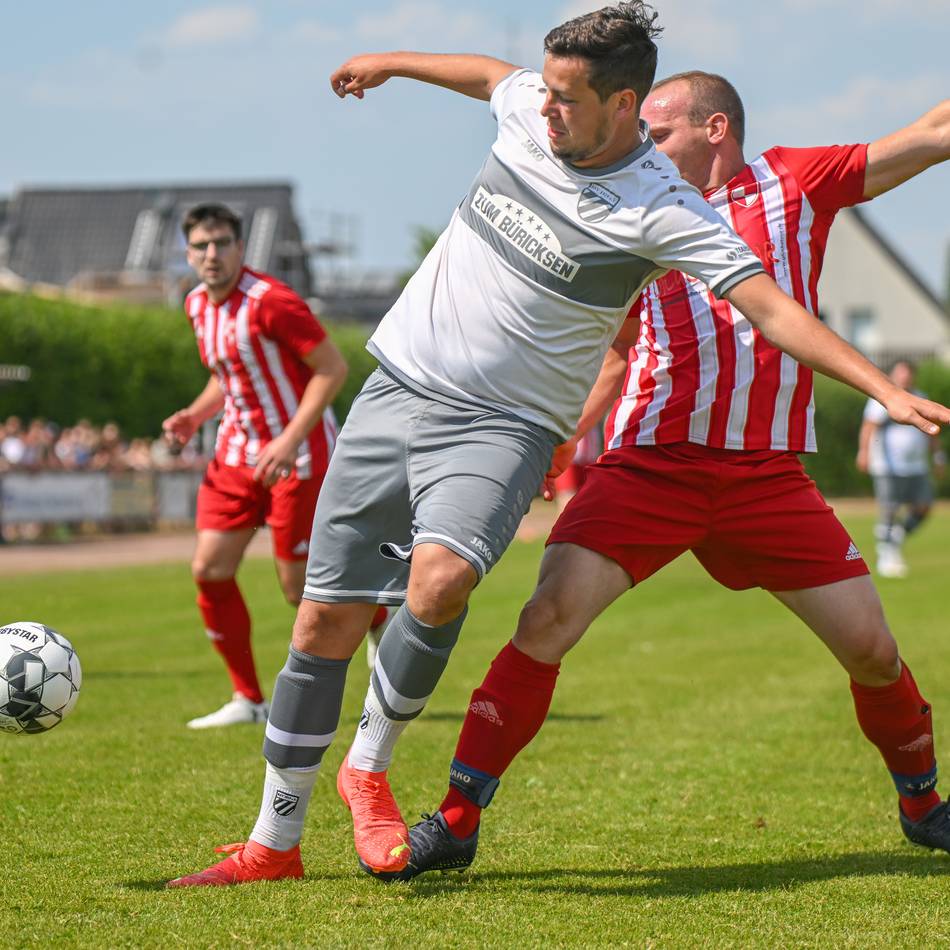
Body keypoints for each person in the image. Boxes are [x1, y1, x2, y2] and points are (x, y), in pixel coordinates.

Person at [167, 5, 949, 888]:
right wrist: (388, 60)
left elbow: (780, 305)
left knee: (868, 650)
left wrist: (884, 386)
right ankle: (348, 834)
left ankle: (922, 802)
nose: (548, 109)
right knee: (429, 620)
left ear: (662, 115)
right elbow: (489, 84)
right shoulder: (542, 113)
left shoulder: (700, 204)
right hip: (576, 442)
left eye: (582, 102)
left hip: (703, 463)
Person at [398, 74, 950, 879]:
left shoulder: (794, 180)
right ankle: (456, 818)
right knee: (547, 618)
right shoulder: (635, 213)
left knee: (872, 650)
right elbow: (618, 354)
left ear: (714, 127)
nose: (639, 146)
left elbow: (932, 135)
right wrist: (563, 436)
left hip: (765, 477)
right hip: (649, 467)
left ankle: (923, 804)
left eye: (655, 132)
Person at [162, 203, 351, 729]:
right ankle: (247, 699)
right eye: (201, 245)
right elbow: (229, 372)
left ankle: (380, 621)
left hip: (298, 457)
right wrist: (195, 415)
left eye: (222, 243)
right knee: (209, 569)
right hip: (236, 456)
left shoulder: (273, 302)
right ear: (188, 253)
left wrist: (289, 440)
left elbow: (332, 369)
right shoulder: (197, 304)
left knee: (298, 590)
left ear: (240, 248)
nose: (212, 254)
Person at [858, 360, 946, 578]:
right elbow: (869, 428)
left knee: (924, 506)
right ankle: (887, 554)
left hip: (917, 466)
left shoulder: (921, 396)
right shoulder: (883, 399)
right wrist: (864, 452)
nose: (904, 378)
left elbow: (932, 431)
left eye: (907, 374)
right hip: (888, 466)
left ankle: (896, 536)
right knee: (889, 510)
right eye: (900, 374)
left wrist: (938, 456)